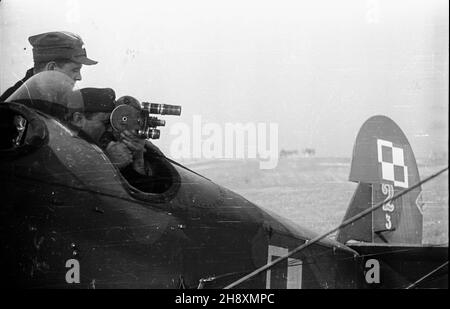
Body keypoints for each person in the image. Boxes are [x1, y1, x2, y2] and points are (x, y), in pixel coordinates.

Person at [0, 31, 97, 101]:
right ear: (51, 68)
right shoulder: (16, 102)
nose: (79, 78)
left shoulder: (56, 96)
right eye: (74, 70)